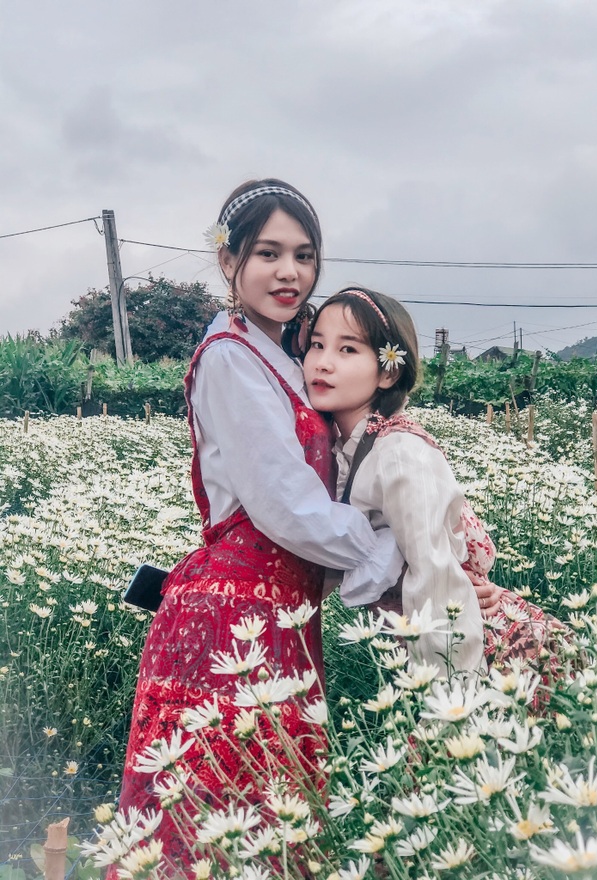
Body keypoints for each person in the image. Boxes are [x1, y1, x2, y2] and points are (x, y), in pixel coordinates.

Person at [107, 183, 402, 876]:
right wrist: (388, 550)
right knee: (219, 822)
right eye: (268, 252)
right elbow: (286, 508)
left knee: (267, 817)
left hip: (279, 617)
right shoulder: (232, 360)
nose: (289, 272)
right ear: (229, 259)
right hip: (230, 622)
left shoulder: (283, 355)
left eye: (304, 255)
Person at [304, 286, 568, 678]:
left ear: (389, 371)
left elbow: (435, 577)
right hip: (432, 639)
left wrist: (450, 702)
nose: (323, 363)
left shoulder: (399, 454)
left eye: (347, 350)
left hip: (489, 650)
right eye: (316, 344)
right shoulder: (341, 447)